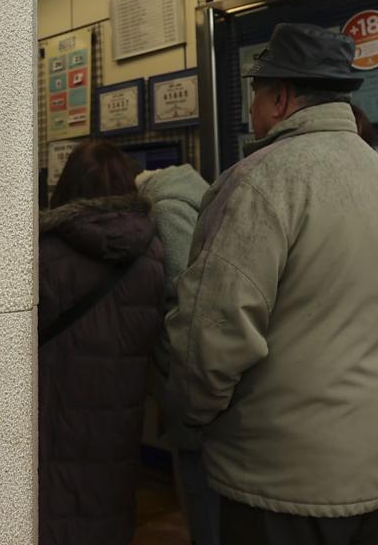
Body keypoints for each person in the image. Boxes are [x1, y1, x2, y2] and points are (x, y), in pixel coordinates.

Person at [165, 23, 378, 545]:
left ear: (279, 98)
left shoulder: (259, 181)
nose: (250, 110)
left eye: (255, 94)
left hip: (282, 483)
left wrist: (190, 416)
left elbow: (210, 337)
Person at [38, 140, 164, 545]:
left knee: (56, 509)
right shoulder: (154, 252)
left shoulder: (45, 253)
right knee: (107, 506)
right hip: (120, 416)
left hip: (54, 414)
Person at [136, 162, 218, 545]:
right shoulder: (202, 192)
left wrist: (174, 384)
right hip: (213, 380)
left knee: (201, 499)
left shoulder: (166, 209)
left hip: (195, 387)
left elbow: (183, 302)